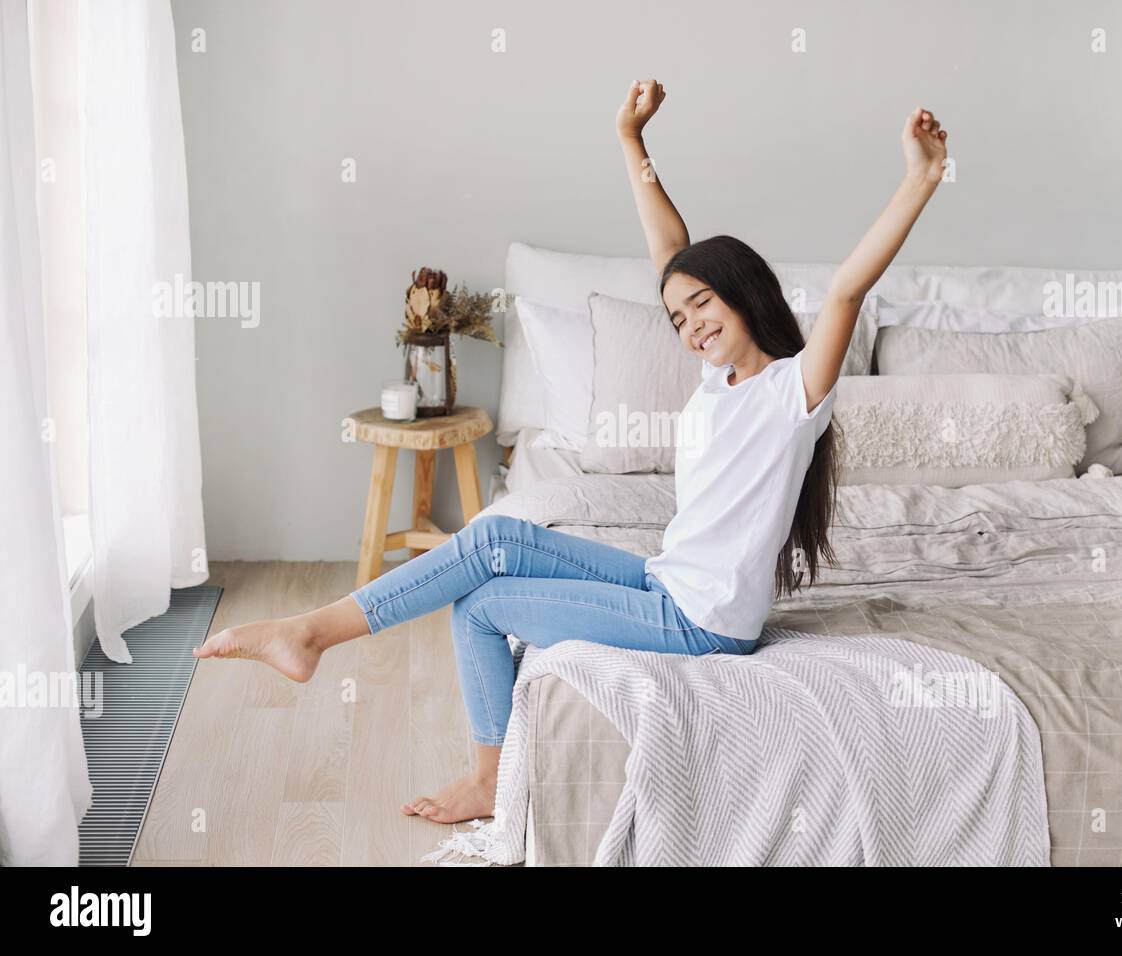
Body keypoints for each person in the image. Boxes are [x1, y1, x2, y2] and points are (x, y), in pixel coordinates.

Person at [192, 79, 949, 825]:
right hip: (667, 582)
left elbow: (848, 291)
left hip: (704, 623)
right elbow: (672, 252)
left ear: (744, 293)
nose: (688, 325)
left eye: (702, 305)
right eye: (677, 316)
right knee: (492, 538)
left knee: (482, 607)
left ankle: (479, 772)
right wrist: (632, 141)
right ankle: (313, 631)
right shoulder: (717, 379)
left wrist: (919, 178)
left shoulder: (794, 395)